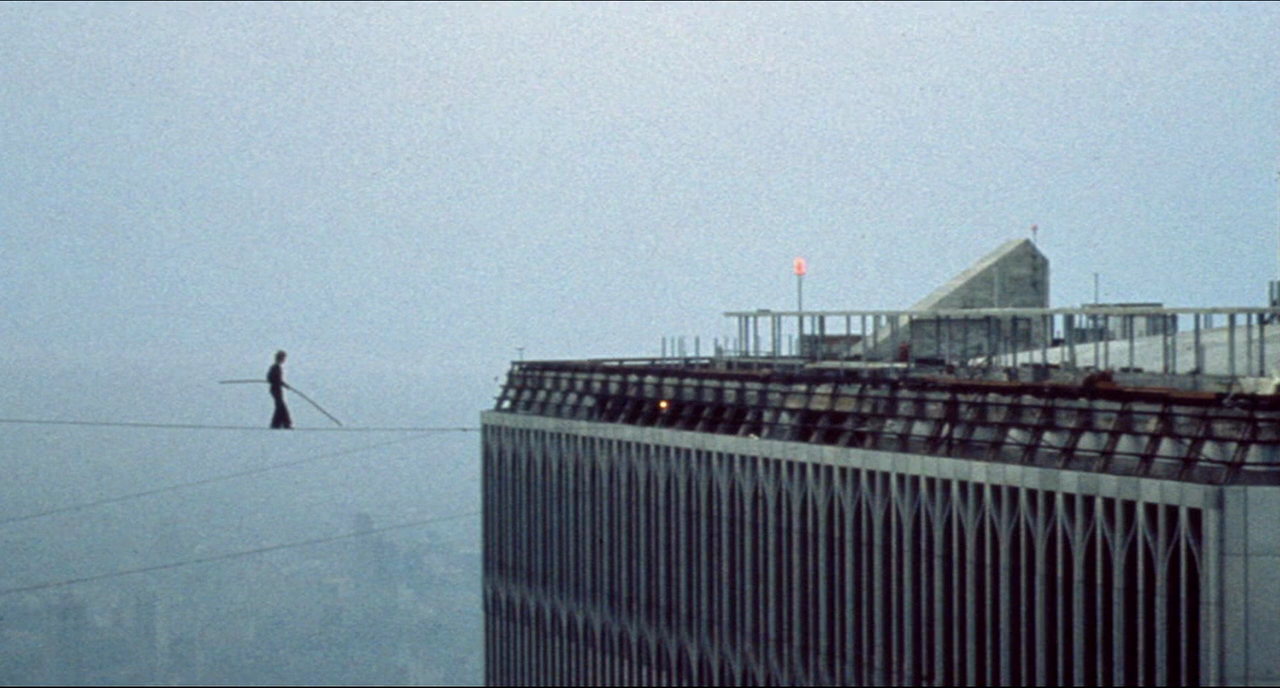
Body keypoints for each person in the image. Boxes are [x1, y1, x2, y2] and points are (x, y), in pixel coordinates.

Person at [267, 350, 292, 429]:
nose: (284, 360)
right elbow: (270, 378)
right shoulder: (275, 367)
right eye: (283, 358)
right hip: (275, 389)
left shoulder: (277, 367)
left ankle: (277, 424)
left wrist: (284, 385)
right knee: (281, 406)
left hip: (277, 389)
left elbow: (277, 379)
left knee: (280, 406)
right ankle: (284, 423)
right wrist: (279, 383)